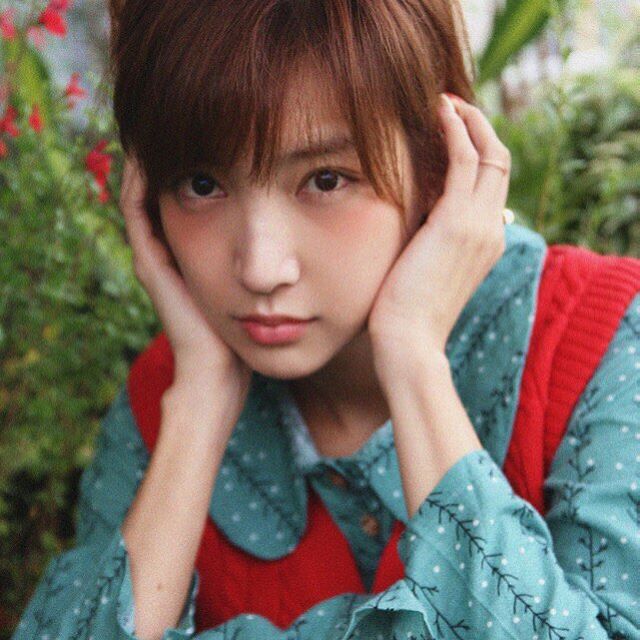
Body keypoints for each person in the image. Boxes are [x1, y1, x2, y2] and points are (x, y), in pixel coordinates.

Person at [12, 1, 640, 639]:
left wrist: (414, 361)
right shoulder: (167, 397)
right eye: (201, 185)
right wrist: (199, 404)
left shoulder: (600, 340)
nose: (261, 269)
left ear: (441, 160)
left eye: (326, 180)